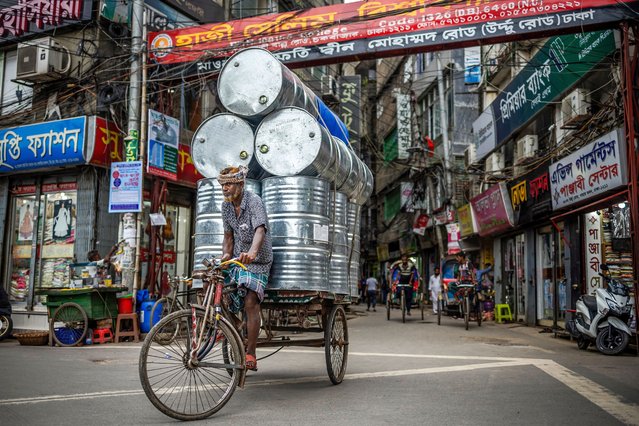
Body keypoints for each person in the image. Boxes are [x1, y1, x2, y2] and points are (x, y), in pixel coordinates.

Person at [219, 165, 272, 372]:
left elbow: (260, 230)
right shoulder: (225, 207)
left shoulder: (254, 201)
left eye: (229, 184)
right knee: (210, 283)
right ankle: (234, 325)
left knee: (251, 300)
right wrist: (225, 255)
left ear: (240, 184)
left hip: (258, 261)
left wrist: (252, 252)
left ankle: (251, 352)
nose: (225, 188)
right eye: (223, 185)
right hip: (237, 259)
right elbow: (228, 237)